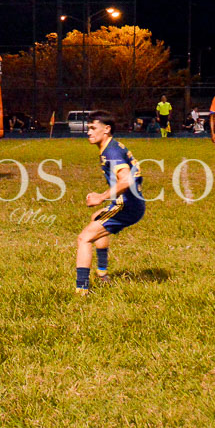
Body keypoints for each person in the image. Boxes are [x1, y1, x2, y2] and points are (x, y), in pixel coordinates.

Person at [75, 112, 145, 293]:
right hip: (131, 202)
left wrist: (101, 196)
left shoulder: (111, 152)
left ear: (106, 129)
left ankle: (81, 290)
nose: (89, 132)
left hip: (127, 205)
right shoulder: (111, 147)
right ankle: (102, 273)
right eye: (88, 128)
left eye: (93, 128)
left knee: (84, 238)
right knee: (96, 217)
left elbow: (126, 180)